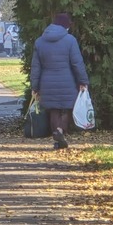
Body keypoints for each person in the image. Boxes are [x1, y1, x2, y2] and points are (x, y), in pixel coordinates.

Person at [29, 12, 89, 150]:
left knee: (53, 110)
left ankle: (56, 134)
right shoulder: (70, 40)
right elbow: (77, 63)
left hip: (47, 83)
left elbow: (36, 67)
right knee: (66, 109)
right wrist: (83, 81)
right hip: (67, 81)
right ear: (66, 26)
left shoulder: (40, 41)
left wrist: (35, 86)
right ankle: (61, 131)